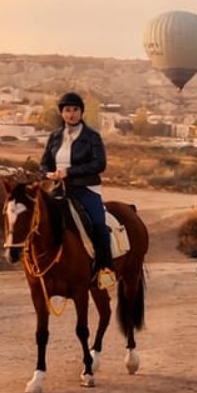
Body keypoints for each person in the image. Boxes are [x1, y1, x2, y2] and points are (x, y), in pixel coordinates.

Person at [40, 91, 115, 288]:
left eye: (75, 110)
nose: (71, 114)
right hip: (59, 188)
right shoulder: (54, 136)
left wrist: (69, 172)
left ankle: (104, 269)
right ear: (61, 113)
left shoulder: (92, 137)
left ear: (81, 112)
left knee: (98, 224)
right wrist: (48, 174)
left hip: (86, 189)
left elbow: (100, 164)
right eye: (67, 110)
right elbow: (44, 163)